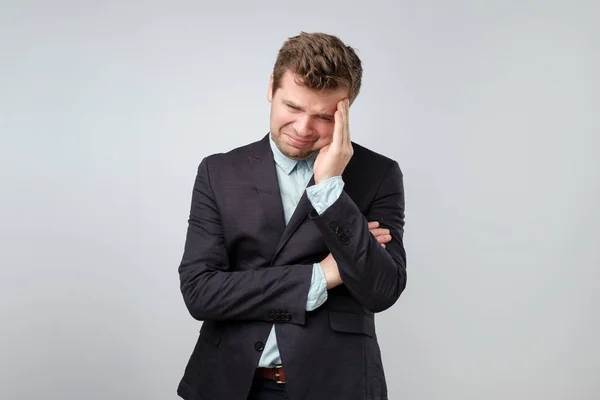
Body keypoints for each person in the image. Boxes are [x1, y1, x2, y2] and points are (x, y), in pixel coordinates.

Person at [176, 31, 407, 400]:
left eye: (323, 116)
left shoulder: (376, 174)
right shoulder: (219, 172)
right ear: (271, 88)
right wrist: (323, 275)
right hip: (230, 382)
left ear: (346, 111)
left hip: (335, 385)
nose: (303, 129)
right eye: (293, 108)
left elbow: (381, 290)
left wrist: (330, 188)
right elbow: (200, 292)